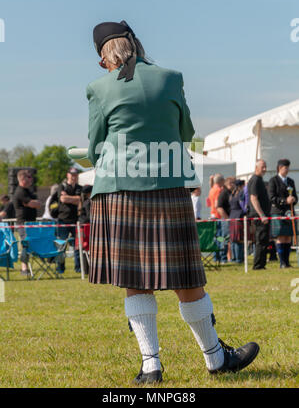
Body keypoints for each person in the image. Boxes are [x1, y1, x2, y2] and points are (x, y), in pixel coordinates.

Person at [86, 20, 259, 384]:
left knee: (135, 280)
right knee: (186, 277)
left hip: (118, 191)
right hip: (168, 186)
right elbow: (185, 132)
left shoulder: (99, 88)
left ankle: (151, 367)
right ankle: (215, 358)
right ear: (136, 43)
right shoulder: (170, 77)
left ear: (104, 58)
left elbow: (94, 145)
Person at [268, 159, 298, 268]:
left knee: (288, 237)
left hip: (289, 212)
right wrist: (285, 201)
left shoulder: (290, 181)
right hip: (278, 212)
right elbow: (271, 198)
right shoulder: (273, 181)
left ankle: (287, 261)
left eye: (288, 167)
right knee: (281, 237)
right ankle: (282, 263)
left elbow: (296, 197)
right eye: (286, 168)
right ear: (280, 168)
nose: (287, 170)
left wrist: (293, 199)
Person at [13, 170, 41, 275]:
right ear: (22, 179)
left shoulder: (28, 191)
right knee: (26, 244)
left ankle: (27, 267)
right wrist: (33, 203)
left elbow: (37, 203)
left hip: (31, 223)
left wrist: (34, 203)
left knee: (31, 244)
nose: (31, 179)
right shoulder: (20, 191)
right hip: (23, 223)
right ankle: (24, 269)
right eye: (29, 177)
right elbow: (33, 204)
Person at [56, 167, 82, 273]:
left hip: (76, 220)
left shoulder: (79, 188)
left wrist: (69, 198)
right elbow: (62, 199)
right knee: (61, 246)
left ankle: (79, 268)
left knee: (77, 246)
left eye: (75, 174)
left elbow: (81, 200)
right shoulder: (61, 186)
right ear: (68, 175)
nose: (74, 176)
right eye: (72, 174)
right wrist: (75, 199)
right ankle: (60, 268)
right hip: (63, 220)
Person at [247, 159, 271, 270]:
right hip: (259, 216)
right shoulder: (255, 180)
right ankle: (258, 265)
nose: (265, 169)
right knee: (260, 240)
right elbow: (253, 198)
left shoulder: (259, 180)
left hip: (262, 215)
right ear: (256, 168)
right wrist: (261, 215)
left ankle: (261, 264)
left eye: (265, 166)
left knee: (264, 240)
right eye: (263, 167)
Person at [216, 176, 235, 264]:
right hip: (225, 221)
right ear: (227, 184)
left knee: (228, 239)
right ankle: (223, 258)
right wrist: (227, 218)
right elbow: (219, 207)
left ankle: (229, 258)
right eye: (232, 183)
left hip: (230, 220)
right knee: (223, 239)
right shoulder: (224, 193)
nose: (234, 185)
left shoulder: (232, 193)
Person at [229, 180, 246, 264]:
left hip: (232, 216)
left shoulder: (232, 194)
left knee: (233, 239)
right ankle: (239, 259)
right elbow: (243, 206)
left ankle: (234, 258)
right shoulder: (241, 194)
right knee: (239, 239)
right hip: (239, 217)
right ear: (240, 186)